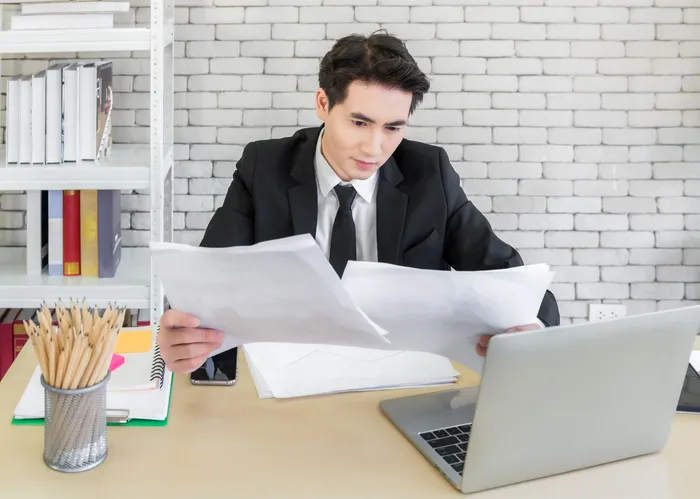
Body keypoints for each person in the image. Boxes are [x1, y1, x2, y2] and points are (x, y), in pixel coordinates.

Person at [157, 30, 560, 375]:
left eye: (393, 128)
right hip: (285, 379)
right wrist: (183, 335)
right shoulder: (264, 167)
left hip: (400, 381)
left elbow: (519, 286)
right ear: (322, 104)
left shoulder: (429, 174)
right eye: (359, 122)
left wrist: (534, 331)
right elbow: (206, 284)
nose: (375, 147)